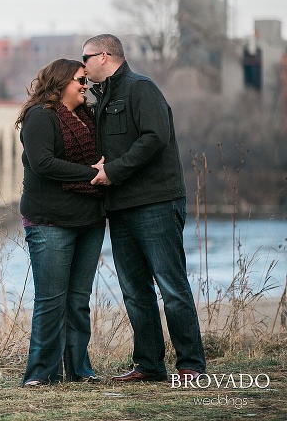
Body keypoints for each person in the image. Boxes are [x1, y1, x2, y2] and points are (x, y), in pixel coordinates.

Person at [83, 34, 206, 383]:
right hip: (120, 206)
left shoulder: (141, 88)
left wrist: (114, 171)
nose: (83, 64)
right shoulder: (102, 97)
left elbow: (155, 137)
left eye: (86, 57)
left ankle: (191, 366)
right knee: (135, 290)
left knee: (171, 285)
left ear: (104, 56)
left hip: (155, 203)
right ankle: (149, 365)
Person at [15, 58, 106, 387]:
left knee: (78, 301)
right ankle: (40, 375)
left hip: (90, 219)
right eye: (80, 80)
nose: (85, 86)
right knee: (51, 301)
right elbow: (43, 164)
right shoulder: (40, 117)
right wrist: (93, 173)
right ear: (60, 82)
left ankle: (79, 371)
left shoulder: (87, 118)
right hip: (49, 221)